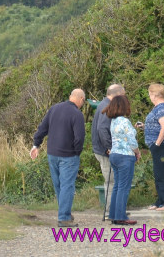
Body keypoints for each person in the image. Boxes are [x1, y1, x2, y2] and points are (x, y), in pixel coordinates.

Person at [30, 88, 86, 227]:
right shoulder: (77, 114)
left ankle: (64, 212)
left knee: (59, 185)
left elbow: (42, 128)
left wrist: (36, 144)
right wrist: (77, 152)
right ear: (81, 100)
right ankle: (64, 218)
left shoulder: (54, 109)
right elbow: (79, 138)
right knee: (67, 186)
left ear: (70, 96)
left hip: (52, 154)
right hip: (68, 156)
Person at [105, 94, 140, 225]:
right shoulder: (125, 121)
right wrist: (137, 152)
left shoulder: (113, 121)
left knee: (117, 186)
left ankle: (114, 214)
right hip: (125, 156)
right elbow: (132, 141)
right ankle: (121, 216)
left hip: (114, 155)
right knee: (124, 187)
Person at [91, 83, 125, 217]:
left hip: (101, 149)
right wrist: (109, 147)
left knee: (112, 181)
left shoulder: (103, 104)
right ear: (117, 95)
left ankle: (113, 210)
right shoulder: (108, 106)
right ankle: (110, 212)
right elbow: (102, 129)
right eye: (123, 96)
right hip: (104, 151)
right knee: (111, 182)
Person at [142, 83, 164, 211]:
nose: (149, 97)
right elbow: (158, 125)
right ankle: (160, 200)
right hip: (158, 145)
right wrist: (145, 127)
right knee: (158, 173)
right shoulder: (160, 108)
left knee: (162, 173)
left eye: (150, 94)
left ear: (154, 95)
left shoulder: (161, 108)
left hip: (161, 146)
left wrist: (157, 144)